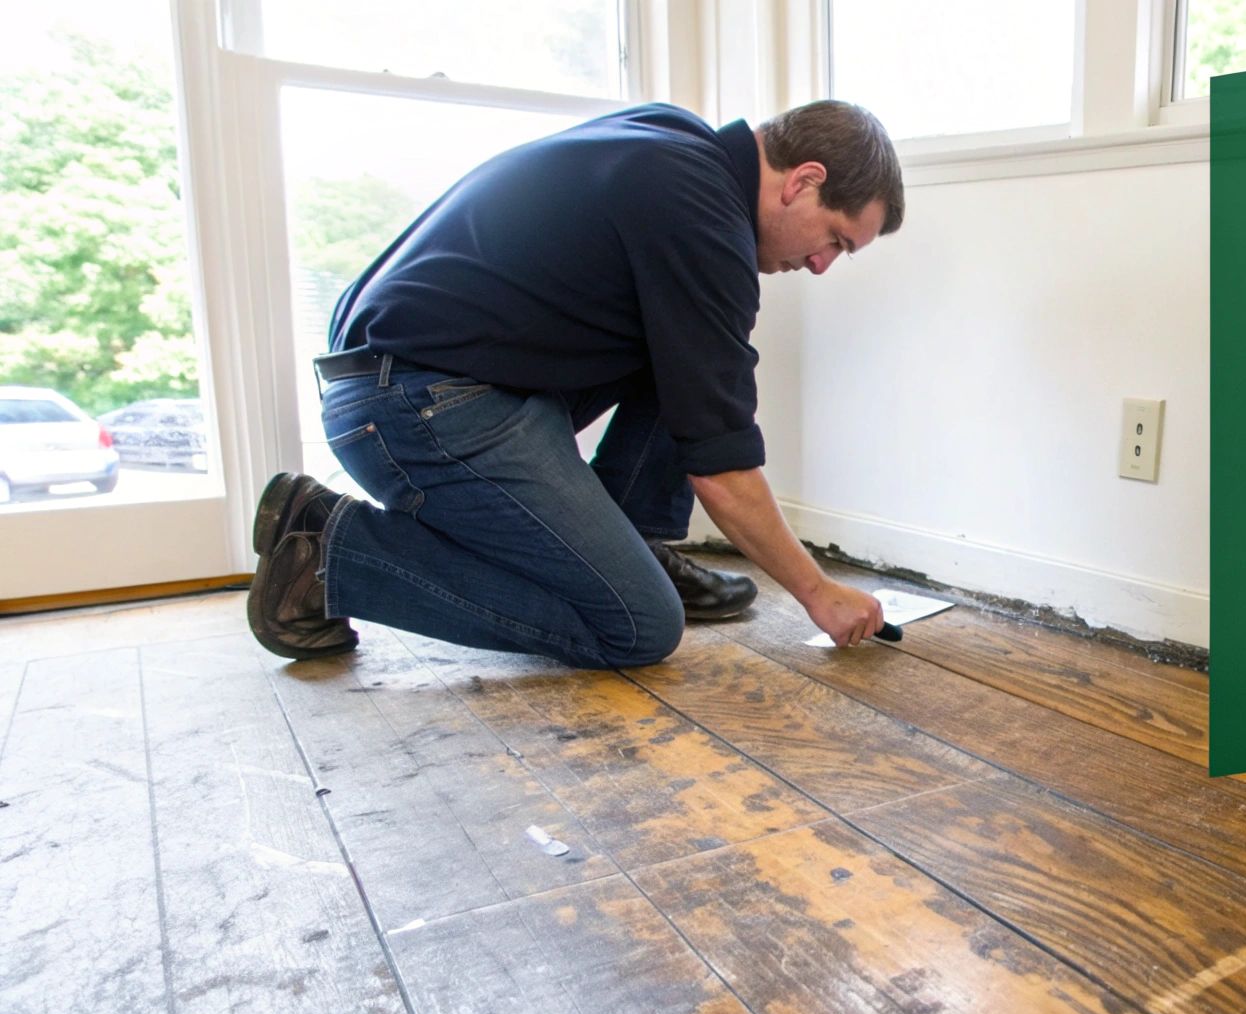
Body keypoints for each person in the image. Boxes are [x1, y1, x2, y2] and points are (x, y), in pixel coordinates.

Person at [246, 100, 904, 668]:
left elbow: (704, 391)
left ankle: (632, 542)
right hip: (420, 405)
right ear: (803, 181)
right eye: (836, 241)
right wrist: (820, 591)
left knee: (695, 356)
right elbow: (721, 464)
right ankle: (331, 550)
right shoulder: (701, 216)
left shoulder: (672, 143)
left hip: (411, 388)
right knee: (637, 624)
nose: (820, 265)